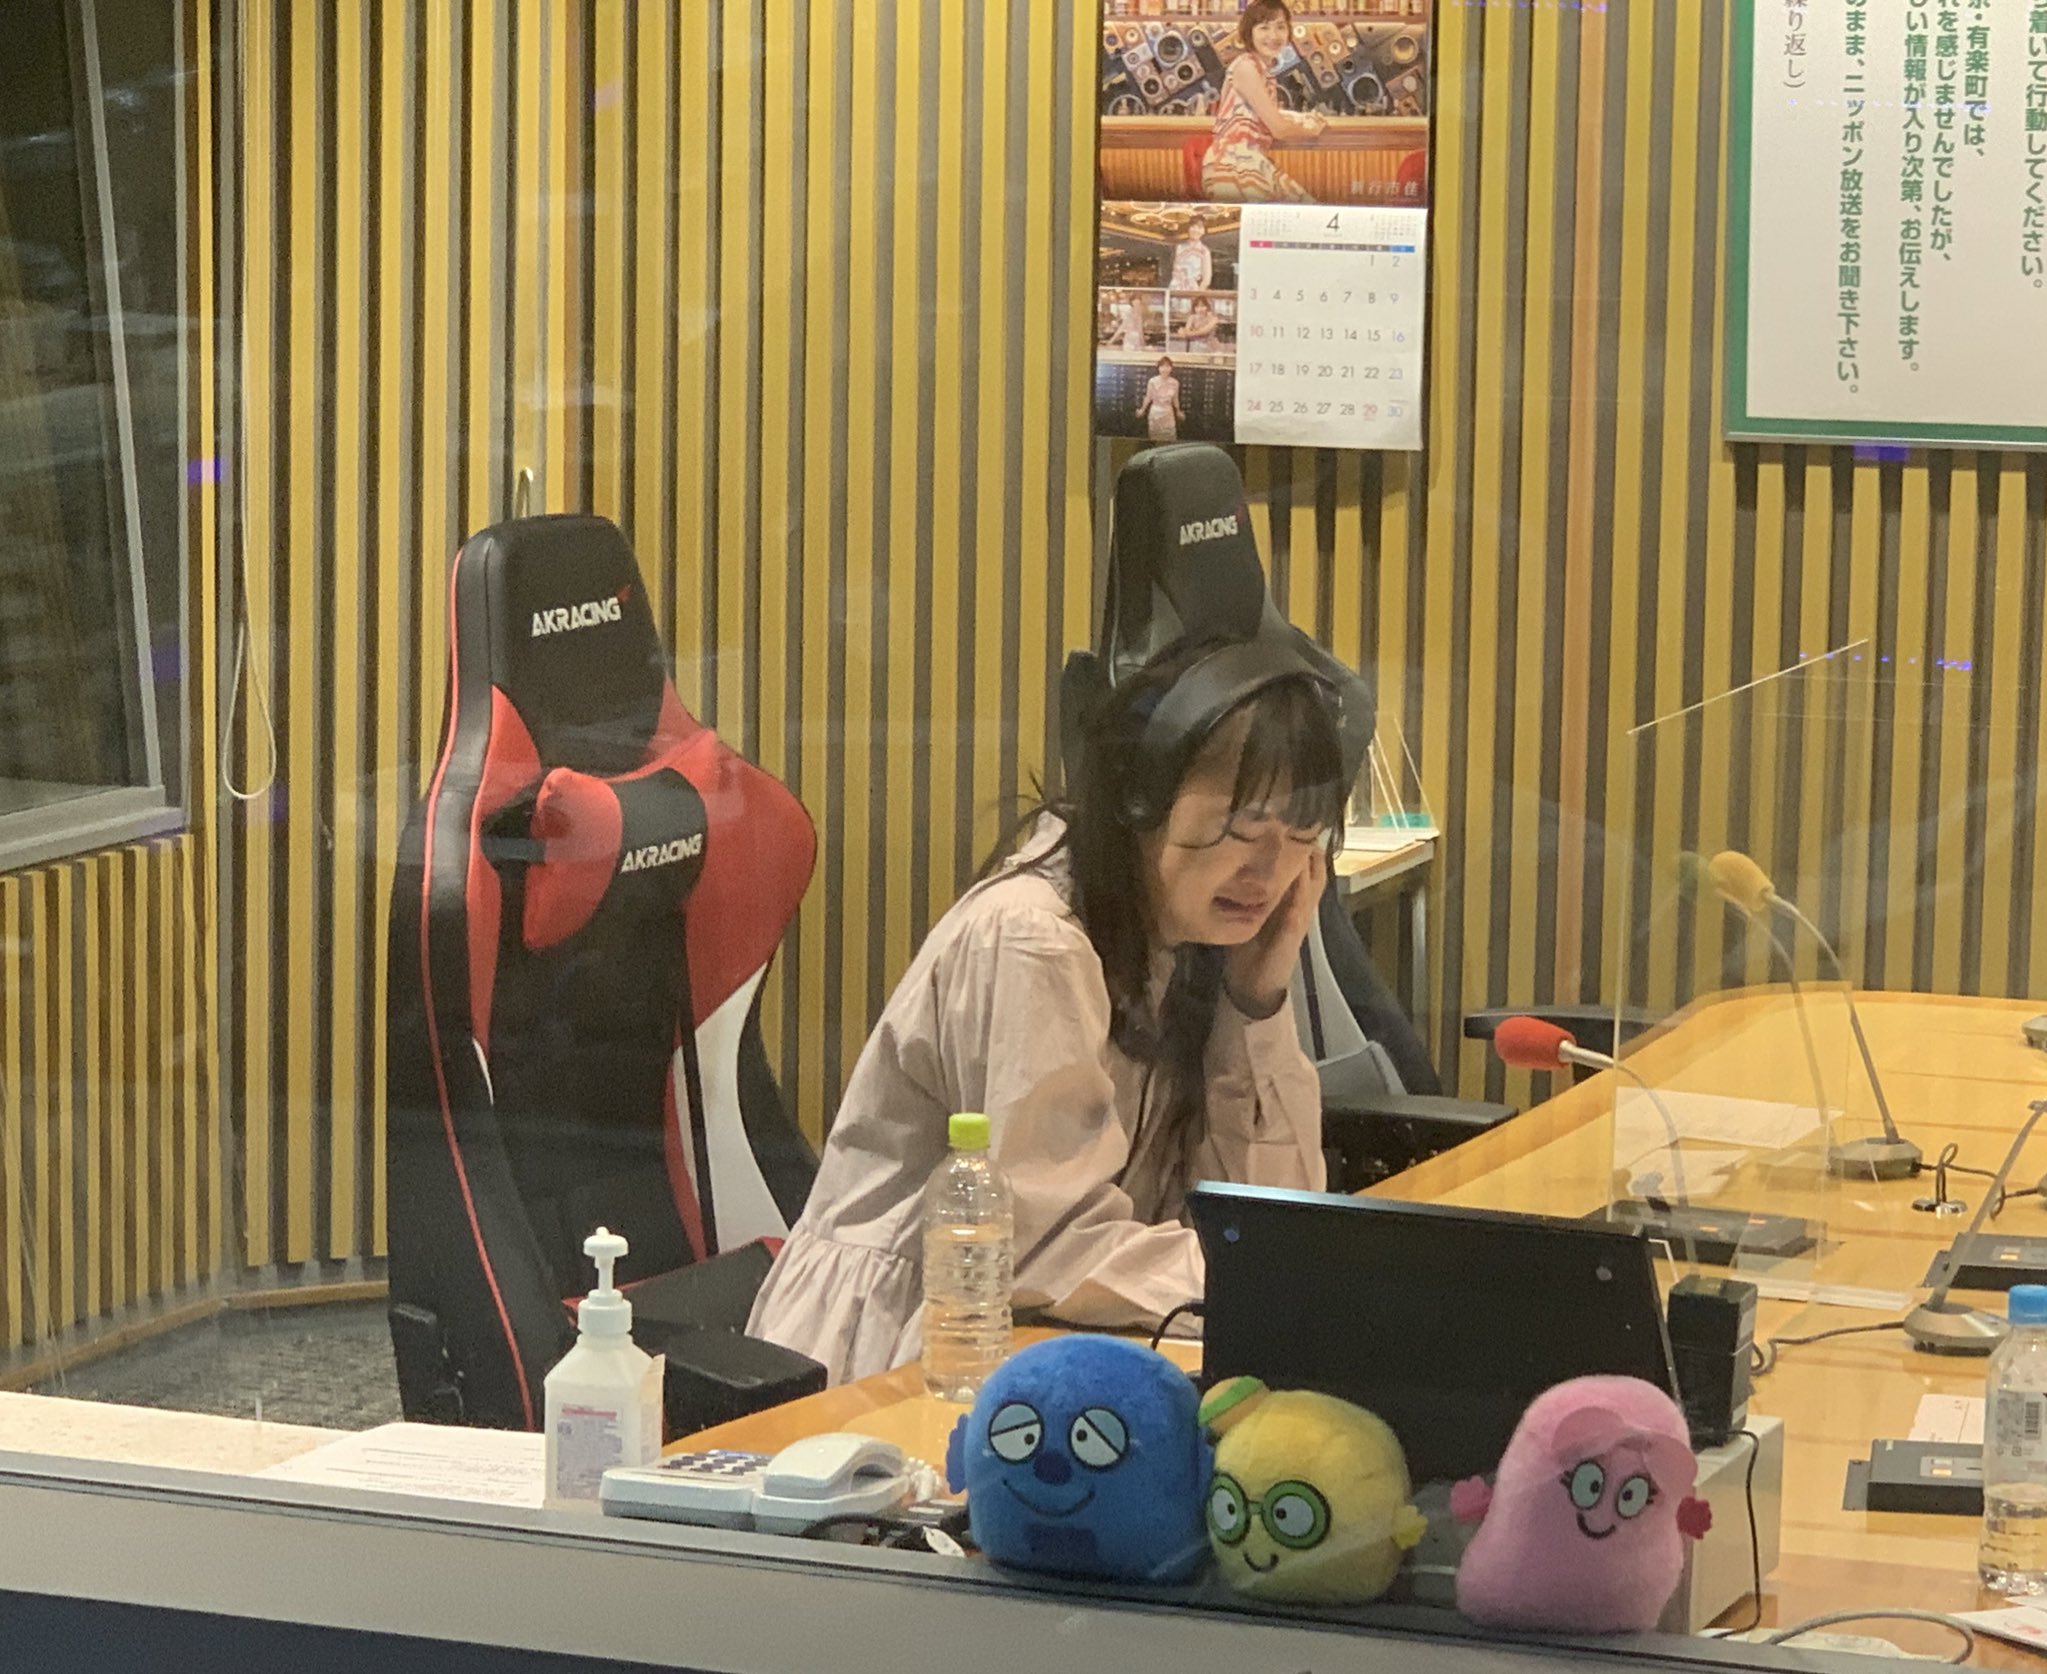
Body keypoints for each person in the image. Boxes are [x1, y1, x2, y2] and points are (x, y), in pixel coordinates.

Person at [747, 641, 1342, 1385]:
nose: (1270, 871)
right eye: (1245, 828)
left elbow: (1265, 1219)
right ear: (1142, 796)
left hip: (1034, 1341)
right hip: (893, 1357)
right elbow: (1043, 1248)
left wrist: (1255, 1002)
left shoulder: (1191, 940)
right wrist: (1272, 1281)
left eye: (1302, 836)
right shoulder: (1034, 939)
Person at [1202, 0, 1328, 204]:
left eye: (1280, 27)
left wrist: (1300, 118)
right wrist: (1311, 129)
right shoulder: (1246, 67)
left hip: (1248, 161)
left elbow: (1262, 113)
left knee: (1304, 212)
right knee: (1304, 212)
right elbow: (1279, 129)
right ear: (1249, 33)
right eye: (1264, 28)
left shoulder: (1260, 69)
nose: (1273, 36)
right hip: (1233, 163)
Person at [1137, 355, 1183, 443]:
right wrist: (1142, 410)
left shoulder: (1175, 383)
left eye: (1167, 366)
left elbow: (1175, 399)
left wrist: (1178, 411)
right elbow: (1148, 397)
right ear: (1158, 368)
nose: (1165, 369)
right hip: (1155, 413)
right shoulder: (1152, 381)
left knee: (1170, 439)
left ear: (1171, 368)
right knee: (1155, 439)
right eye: (1162, 366)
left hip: (1168, 413)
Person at [1170, 216, 1214, 294]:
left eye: (1199, 227)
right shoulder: (1179, 247)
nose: (1195, 230)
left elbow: (1207, 279)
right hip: (1174, 288)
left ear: (1204, 231)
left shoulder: (1204, 251)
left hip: (1191, 290)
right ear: (1188, 228)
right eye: (1193, 226)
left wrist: (1197, 295)